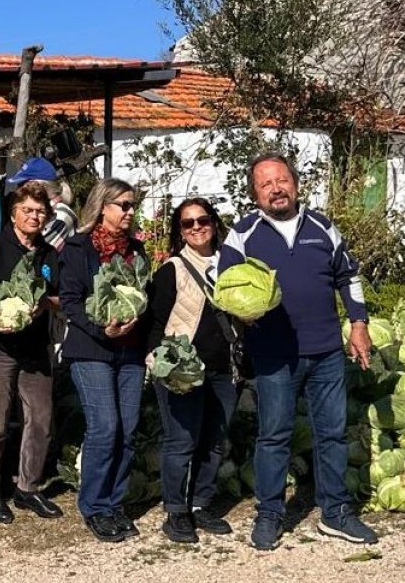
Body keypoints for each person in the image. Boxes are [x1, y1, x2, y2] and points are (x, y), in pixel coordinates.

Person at [220, 151, 377, 550]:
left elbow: (349, 275)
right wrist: (243, 312)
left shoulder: (323, 227)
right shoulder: (243, 233)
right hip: (274, 355)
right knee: (273, 436)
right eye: (265, 183)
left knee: (332, 434)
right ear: (255, 193)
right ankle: (270, 514)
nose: (276, 188)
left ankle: (336, 512)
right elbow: (222, 283)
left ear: (295, 182)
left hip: (325, 351)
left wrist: (358, 323)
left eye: (281, 180)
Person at [0, 181, 63, 526]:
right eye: (28, 210)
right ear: (13, 213)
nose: (35, 217)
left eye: (40, 211)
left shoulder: (49, 254)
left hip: (35, 348)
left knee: (40, 420)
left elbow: (63, 296)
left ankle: (28, 487)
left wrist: (43, 305)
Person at [59, 178, 148, 543]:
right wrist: (103, 330)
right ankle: (94, 506)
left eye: (132, 205)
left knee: (126, 430)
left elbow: (143, 298)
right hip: (92, 349)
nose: (130, 211)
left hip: (130, 352)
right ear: (102, 207)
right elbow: (70, 302)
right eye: (123, 205)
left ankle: (113, 502)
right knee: (105, 426)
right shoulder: (78, 248)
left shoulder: (138, 252)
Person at [145, 198, 237, 544]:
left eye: (202, 220)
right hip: (182, 370)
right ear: (179, 230)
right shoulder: (173, 269)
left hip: (222, 368)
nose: (197, 227)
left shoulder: (232, 264)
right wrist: (156, 361)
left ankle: (201, 504)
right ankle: (176, 511)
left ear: (214, 222)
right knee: (181, 441)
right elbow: (155, 322)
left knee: (213, 441)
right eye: (188, 223)